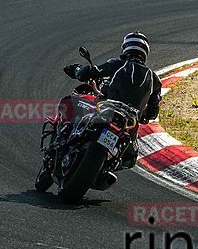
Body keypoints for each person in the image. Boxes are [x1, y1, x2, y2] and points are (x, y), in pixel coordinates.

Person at [59, 31, 162, 173]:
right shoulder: (155, 80)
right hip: (129, 124)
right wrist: (143, 115)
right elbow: (153, 112)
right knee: (130, 157)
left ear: (125, 48)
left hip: (106, 109)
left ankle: (63, 139)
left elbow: (91, 72)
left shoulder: (118, 64)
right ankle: (106, 167)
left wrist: (77, 70)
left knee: (70, 102)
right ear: (145, 52)